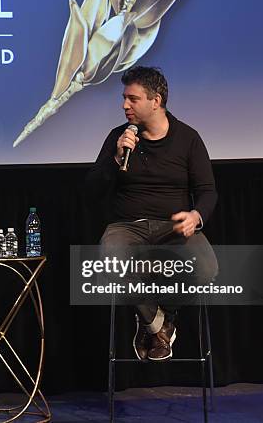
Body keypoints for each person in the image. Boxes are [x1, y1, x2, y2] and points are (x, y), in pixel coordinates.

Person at [86, 66, 218, 361]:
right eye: (124, 98)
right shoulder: (118, 138)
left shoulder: (188, 138)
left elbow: (208, 190)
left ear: (155, 101)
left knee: (207, 269)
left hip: (172, 227)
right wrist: (116, 158)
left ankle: (162, 317)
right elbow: (92, 191)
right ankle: (156, 324)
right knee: (110, 262)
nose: (124, 106)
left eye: (132, 99)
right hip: (127, 226)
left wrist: (196, 216)